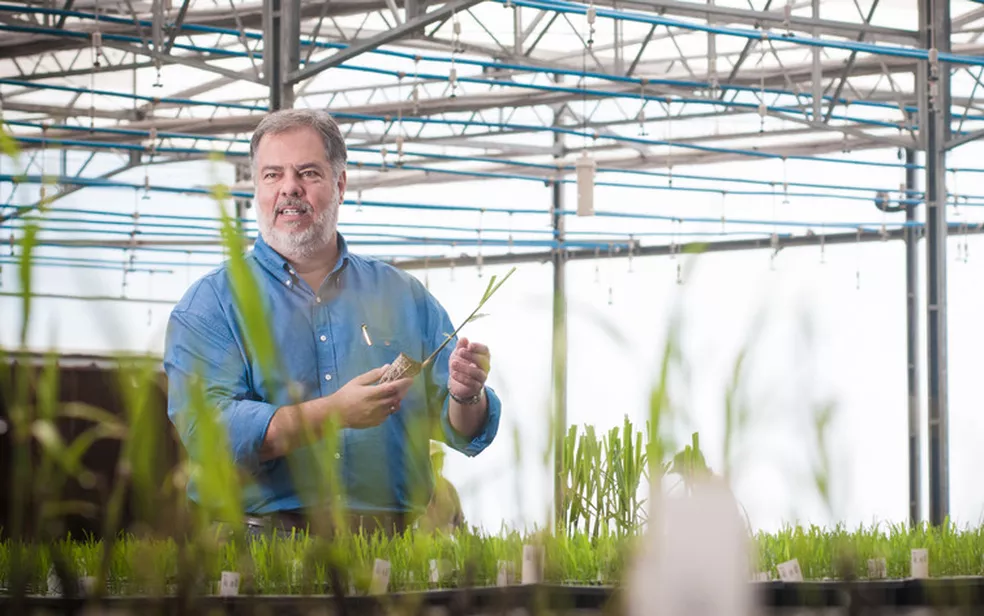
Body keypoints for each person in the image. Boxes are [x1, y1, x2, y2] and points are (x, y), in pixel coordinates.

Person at [163, 108, 501, 537]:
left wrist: (467, 395)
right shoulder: (212, 304)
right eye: (272, 175)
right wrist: (334, 413)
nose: (289, 188)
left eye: (307, 173)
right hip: (258, 544)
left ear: (340, 184)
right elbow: (209, 431)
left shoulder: (402, 295)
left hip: (389, 546)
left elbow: (463, 431)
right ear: (256, 189)